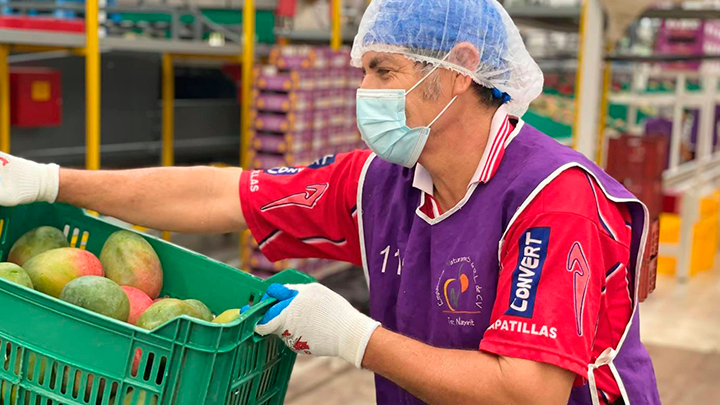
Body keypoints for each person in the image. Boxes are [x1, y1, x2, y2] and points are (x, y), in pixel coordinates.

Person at [0, 0, 661, 404]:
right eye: (364, 72)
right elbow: (220, 192)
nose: (364, 92)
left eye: (384, 71)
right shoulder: (381, 182)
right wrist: (53, 181)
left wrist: (352, 336)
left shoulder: (551, 197)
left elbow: (526, 393)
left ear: (459, 70)